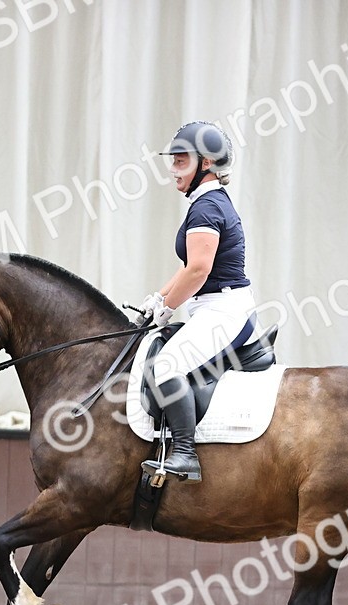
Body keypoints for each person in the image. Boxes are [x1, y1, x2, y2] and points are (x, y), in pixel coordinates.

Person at [138, 121, 256, 483]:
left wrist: (168, 307)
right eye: (172, 160)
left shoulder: (206, 209)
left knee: (167, 366)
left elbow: (199, 271)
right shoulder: (203, 204)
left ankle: (186, 454)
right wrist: (158, 297)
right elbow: (188, 267)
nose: (173, 169)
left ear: (205, 164)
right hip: (213, 307)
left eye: (180, 161)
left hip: (224, 309)